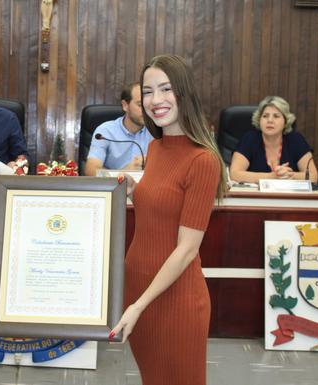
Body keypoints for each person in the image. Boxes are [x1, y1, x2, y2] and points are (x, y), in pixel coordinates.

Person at [110, 55, 227, 385]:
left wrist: (138, 305)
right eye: (148, 91)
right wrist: (133, 191)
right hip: (139, 291)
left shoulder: (203, 160)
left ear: (184, 94)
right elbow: (160, 210)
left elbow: (187, 250)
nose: (155, 100)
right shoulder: (157, 148)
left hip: (173, 302)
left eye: (166, 89)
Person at [229, 96, 318, 183]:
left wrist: (290, 175)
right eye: (265, 116)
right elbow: (234, 174)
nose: (270, 120)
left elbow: (313, 176)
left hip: (288, 196)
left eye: (276, 116)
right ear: (259, 120)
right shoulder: (250, 139)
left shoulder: (296, 140)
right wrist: (271, 177)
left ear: (285, 121)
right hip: (257, 197)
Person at [84, 82, 153, 176]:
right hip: (115, 189)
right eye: (140, 105)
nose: (146, 110)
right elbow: (91, 170)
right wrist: (122, 173)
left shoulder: (156, 132)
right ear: (125, 105)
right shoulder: (106, 132)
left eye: (148, 105)